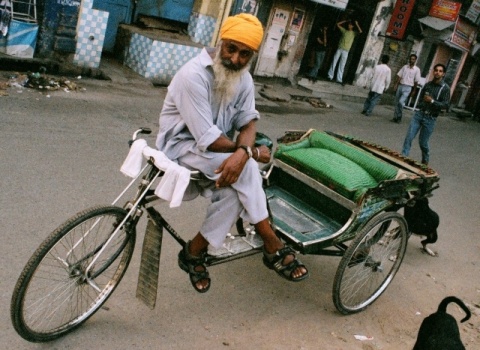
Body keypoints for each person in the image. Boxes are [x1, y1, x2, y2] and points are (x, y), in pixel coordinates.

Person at [156, 14, 309, 293]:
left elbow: (248, 123)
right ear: (220, 42)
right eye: (231, 49)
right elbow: (207, 138)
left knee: (234, 188)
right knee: (247, 169)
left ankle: (194, 251)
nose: (236, 59)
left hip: (218, 152)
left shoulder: (244, 79)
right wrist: (247, 152)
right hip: (182, 147)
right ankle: (270, 241)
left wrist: (243, 152)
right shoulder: (193, 75)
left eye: (244, 54)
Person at [401, 63, 450, 165]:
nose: (437, 72)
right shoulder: (428, 85)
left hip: (430, 118)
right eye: (436, 70)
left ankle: (425, 160)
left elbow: (445, 105)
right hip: (419, 115)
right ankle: (403, 158)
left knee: (423, 143)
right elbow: (421, 96)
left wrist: (432, 101)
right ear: (433, 72)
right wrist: (420, 104)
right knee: (409, 137)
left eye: (440, 71)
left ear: (443, 74)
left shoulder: (445, 88)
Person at [327, 20, 362, 85]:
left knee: (342, 65)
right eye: (349, 24)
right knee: (334, 61)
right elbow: (337, 24)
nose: (349, 25)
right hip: (340, 48)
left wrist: (357, 24)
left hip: (346, 51)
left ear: (352, 26)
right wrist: (345, 21)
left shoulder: (353, 33)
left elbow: (360, 31)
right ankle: (330, 76)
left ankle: (339, 79)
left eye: (350, 25)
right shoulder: (344, 31)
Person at [392, 54, 422, 123]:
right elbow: (399, 76)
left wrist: (414, 91)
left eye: (413, 59)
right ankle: (395, 117)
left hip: (408, 88)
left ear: (415, 60)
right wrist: (396, 84)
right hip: (401, 85)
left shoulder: (417, 70)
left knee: (401, 102)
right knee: (397, 102)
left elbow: (416, 81)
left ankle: (399, 116)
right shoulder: (405, 67)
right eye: (411, 59)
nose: (411, 60)